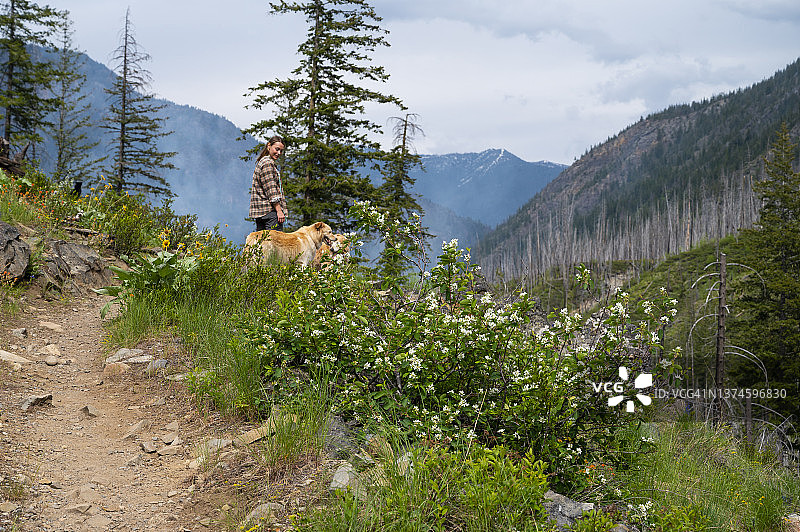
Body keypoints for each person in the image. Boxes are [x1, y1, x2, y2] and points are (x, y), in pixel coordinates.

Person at [249, 135, 287, 231]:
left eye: (281, 151)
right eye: (277, 149)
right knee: (274, 241)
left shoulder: (262, 162)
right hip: (271, 214)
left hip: (261, 213)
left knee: (262, 240)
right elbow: (271, 190)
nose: (279, 153)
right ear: (269, 146)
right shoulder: (267, 163)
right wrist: (279, 211)